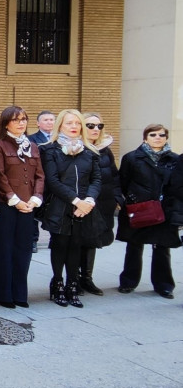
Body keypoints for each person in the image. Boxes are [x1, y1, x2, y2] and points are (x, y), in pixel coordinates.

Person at [40, 109, 101, 308]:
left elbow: (96, 179)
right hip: (60, 206)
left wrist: (89, 201)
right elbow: (53, 181)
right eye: (69, 123)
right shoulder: (50, 150)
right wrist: (76, 200)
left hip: (84, 209)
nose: (74, 127)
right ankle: (57, 283)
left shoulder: (89, 152)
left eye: (77, 123)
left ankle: (72, 284)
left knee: (76, 246)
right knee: (60, 246)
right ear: (60, 126)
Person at [0, 106, 44, 309]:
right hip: (7, 206)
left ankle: (20, 293)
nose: (21, 123)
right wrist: (15, 200)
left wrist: (35, 199)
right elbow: (0, 176)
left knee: (23, 250)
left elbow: (40, 175)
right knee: (4, 250)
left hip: (28, 206)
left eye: (24, 119)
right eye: (16, 120)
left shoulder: (33, 146)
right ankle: (3, 293)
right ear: (6, 123)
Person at [116, 123, 179, 298]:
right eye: (153, 135)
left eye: (161, 135)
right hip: (139, 208)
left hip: (164, 210)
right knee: (134, 246)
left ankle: (164, 285)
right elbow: (124, 182)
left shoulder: (174, 159)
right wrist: (131, 200)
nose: (157, 137)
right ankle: (128, 282)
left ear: (166, 138)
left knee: (162, 248)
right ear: (145, 138)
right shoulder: (132, 158)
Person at [80, 113, 123, 295]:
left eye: (99, 126)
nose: (95, 129)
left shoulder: (105, 149)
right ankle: (73, 278)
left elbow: (114, 176)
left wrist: (117, 198)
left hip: (103, 203)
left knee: (94, 241)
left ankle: (87, 279)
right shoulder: (75, 147)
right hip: (82, 203)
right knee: (78, 242)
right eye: (90, 125)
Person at [28, 110, 54, 253]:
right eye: (46, 120)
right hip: (36, 181)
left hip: (54, 182)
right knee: (34, 212)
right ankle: (33, 241)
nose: (49, 122)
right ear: (38, 123)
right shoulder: (30, 139)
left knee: (52, 211)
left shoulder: (60, 140)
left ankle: (53, 239)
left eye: (51, 120)